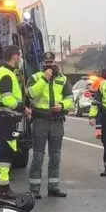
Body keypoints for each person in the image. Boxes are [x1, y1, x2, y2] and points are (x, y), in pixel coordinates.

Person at [25, 52, 72, 198]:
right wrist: (44, 79)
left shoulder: (63, 79)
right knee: (38, 155)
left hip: (57, 120)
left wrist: (63, 105)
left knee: (55, 155)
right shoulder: (35, 78)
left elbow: (69, 97)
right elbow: (31, 94)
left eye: (51, 62)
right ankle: (34, 188)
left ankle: (53, 187)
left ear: (55, 62)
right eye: (46, 63)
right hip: (40, 120)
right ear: (42, 64)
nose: (49, 65)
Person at [0, 45, 27, 199]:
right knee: (6, 155)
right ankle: (3, 189)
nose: (20, 58)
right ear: (14, 56)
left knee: (5, 154)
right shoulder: (6, 74)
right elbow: (7, 99)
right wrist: (23, 108)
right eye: (18, 55)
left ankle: (0, 186)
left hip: (6, 119)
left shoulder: (5, 72)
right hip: (6, 120)